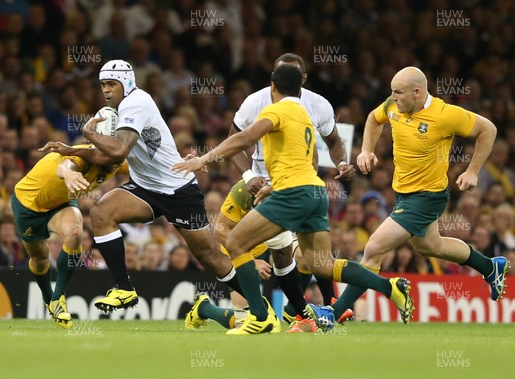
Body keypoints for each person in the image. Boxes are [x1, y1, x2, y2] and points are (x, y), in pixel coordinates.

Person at [173, 64, 414, 334]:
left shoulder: (275, 110)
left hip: (293, 194)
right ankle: (389, 287)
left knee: (236, 242)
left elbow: (243, 139)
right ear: (300, 87)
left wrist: (204, 159)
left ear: (272, 87)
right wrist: (274, 186)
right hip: (315, 191)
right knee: (321, 264)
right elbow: (307, 160)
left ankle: (260, 317)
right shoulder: (303, 114)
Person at [60, 60, 250, 321]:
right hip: (145, 188)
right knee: (102, 211)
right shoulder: (115, 110)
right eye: (103, 84)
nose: (106, 90)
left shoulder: (136, 103)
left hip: (177, 188)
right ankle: (124, 289)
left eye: (112, 84)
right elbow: (112, 158)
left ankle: (255, 303)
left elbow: (118, 151)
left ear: (126, 83)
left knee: (209, 257)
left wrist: (88, 134)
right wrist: (70, 151)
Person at [330, 66, 510, 323]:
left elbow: (488, 129)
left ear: (417, 92)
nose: (393, 98)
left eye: (398, 93)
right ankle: (490, 267)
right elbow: (373, 118)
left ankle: (335, 312)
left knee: (373, 249)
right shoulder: (395, 105)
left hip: (427, 197)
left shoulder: (444, 115)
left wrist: (472, 171)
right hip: (403, 194)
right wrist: (367, 150)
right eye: (391, 92)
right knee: (431, 246)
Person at [12, 141, 127, 329]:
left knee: (74, 234)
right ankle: (48, 297)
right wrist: (69, 173)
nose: (117, 164)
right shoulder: (84, 156)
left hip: (61, 202)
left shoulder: (117, 159)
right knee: (40, 258)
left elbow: (144, 165)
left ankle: (58, 300)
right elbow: (64, 166)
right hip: (28, 205)